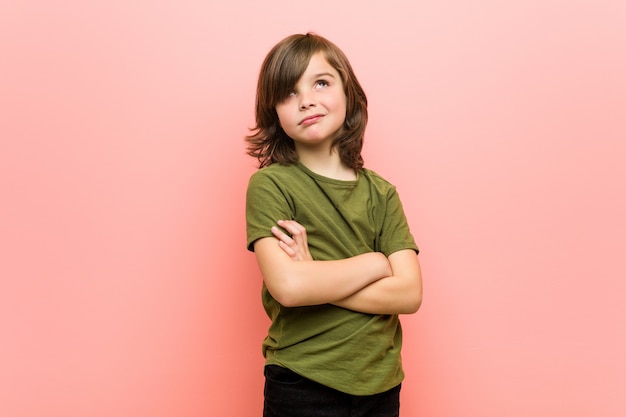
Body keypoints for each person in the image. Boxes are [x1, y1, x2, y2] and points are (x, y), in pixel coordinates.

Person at [245, 32, 422, 417]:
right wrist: (375, 263)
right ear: (273, 111)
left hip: (381, 381)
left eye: (321, 83)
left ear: (349, 93)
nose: (306, 99)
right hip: (303, 379)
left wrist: (316, 277)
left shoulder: (382, 193)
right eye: (288, 93)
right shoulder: (271, 185)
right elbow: (290, 288)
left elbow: (409, 294)